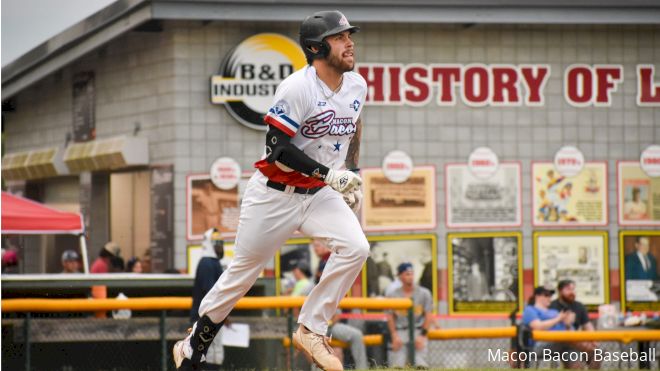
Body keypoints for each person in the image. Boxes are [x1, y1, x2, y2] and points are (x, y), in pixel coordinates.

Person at [173, 13, 368, 368]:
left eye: (348, 35)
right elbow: (278, 147)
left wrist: (350, 171)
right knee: (242, 276)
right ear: (315, 47)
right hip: (274, 194)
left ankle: (311, 328)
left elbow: (354, 126)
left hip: (318, 193)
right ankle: (192, 347)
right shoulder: (298, 87)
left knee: (357, 247)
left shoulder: (356, 85)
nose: (349, 42)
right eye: (339, 37)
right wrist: (329, 175)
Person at [312, 238, 368, 370]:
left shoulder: (335, 286)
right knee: (315, 344)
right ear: (319, 273)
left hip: (333, 326)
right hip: (315, 329)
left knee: (356, 335)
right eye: (324, 272)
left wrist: (330, 323)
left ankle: (362, 368)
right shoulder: (311, 288)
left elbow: (337, 314)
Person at [190, 228, 226, 370]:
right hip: (206, 317)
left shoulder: (214, 263)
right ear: (209, 244)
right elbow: (209, 292)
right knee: (209, 353)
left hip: (214, 316)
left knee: (215, 352)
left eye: (221, 243)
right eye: (216, 243)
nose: (220, 246)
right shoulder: (206, 263)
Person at [386, 263, 433, 368]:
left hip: (418, 330)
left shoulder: (424, 293)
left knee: (421, 365)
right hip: (400, 330)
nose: (410, 277)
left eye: (412, 274)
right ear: (400, 276)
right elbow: (390, 316)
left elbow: (429, 315)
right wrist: (394, 335)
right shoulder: (393, 294)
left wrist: (422, 335)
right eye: (407, 274)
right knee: (397, 365)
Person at [550, 279, 601, 369]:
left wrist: (593, 340)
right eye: (568, 289)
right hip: (558, 343)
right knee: (576, 364)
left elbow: (588, 326)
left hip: (575, 343)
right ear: (560, 291)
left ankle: (590, 348)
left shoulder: (579, 306)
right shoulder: (552, 306)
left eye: (573, 289)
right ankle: (587, 347)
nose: (572, 292)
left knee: (596, 355)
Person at [522, 286, 575, 364]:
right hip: (540, 345)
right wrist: (558, 319)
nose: (549, 297)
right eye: (546, 295)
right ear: (537, 296)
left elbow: (571, 331)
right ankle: (588, 348)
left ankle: (590, 350)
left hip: (564, 344)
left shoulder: (555, 312)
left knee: (577, 360)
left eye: (550, 295)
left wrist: (568, 324)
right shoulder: (530, 310)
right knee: (568, 341)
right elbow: (538, 327)